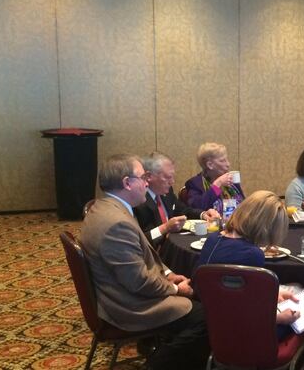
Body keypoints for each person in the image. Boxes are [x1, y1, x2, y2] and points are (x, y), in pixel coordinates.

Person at [80, 154, 208, 370]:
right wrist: (176, 288)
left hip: (119, 291)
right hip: (128, 305)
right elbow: (139, 282)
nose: (147, 182)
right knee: (205, 317)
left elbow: (144, 258)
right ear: (127, 183)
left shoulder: (105, 208)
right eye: (142, 178)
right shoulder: (116, 224)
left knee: (201, 301)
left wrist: (168, 275)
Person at [196, 190, 301, 333]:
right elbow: (247, 311)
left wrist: (274, 293)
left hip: (213, 323)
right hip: (246, 333)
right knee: (302, 313)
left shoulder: (213, 239)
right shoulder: (252, 254)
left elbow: (232, 296)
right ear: (267, 227)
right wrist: (280, 318)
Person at [134, 152, 220, 249]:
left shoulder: (165, 191)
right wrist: (165, 228)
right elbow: (140, 241)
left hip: (172, 245)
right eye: (168, 177)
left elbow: (182, 210)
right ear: (149, 176)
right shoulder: (138, 200)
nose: (172, 182)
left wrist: (203, 214)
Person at [184, 142, 245, 218]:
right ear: (210, 165)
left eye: (227, 160)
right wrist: (218, 184)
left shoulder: (231, 181)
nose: (228, 164)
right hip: (212, 227)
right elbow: (199, 208)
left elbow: (243, 205)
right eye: (222, 161)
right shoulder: (195, 184)